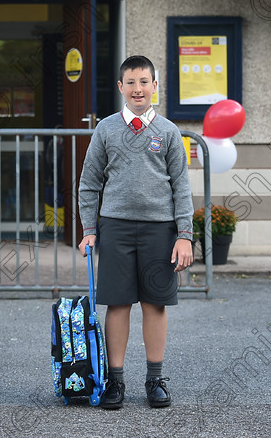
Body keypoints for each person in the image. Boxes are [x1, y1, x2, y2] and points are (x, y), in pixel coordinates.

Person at [78, 55, 194, 410]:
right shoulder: (107, 130)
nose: (138, 89)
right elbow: (89, 182)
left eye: (144, 82)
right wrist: (90, 229)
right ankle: (115, 381)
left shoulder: (169, 132)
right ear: (120, 87)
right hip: (115, 227)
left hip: (160, 230)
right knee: (118, 303)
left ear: (155, 86)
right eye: (131, 82)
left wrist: (184, 234)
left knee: (155, 304)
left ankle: (154, 379)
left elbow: (181, 186)